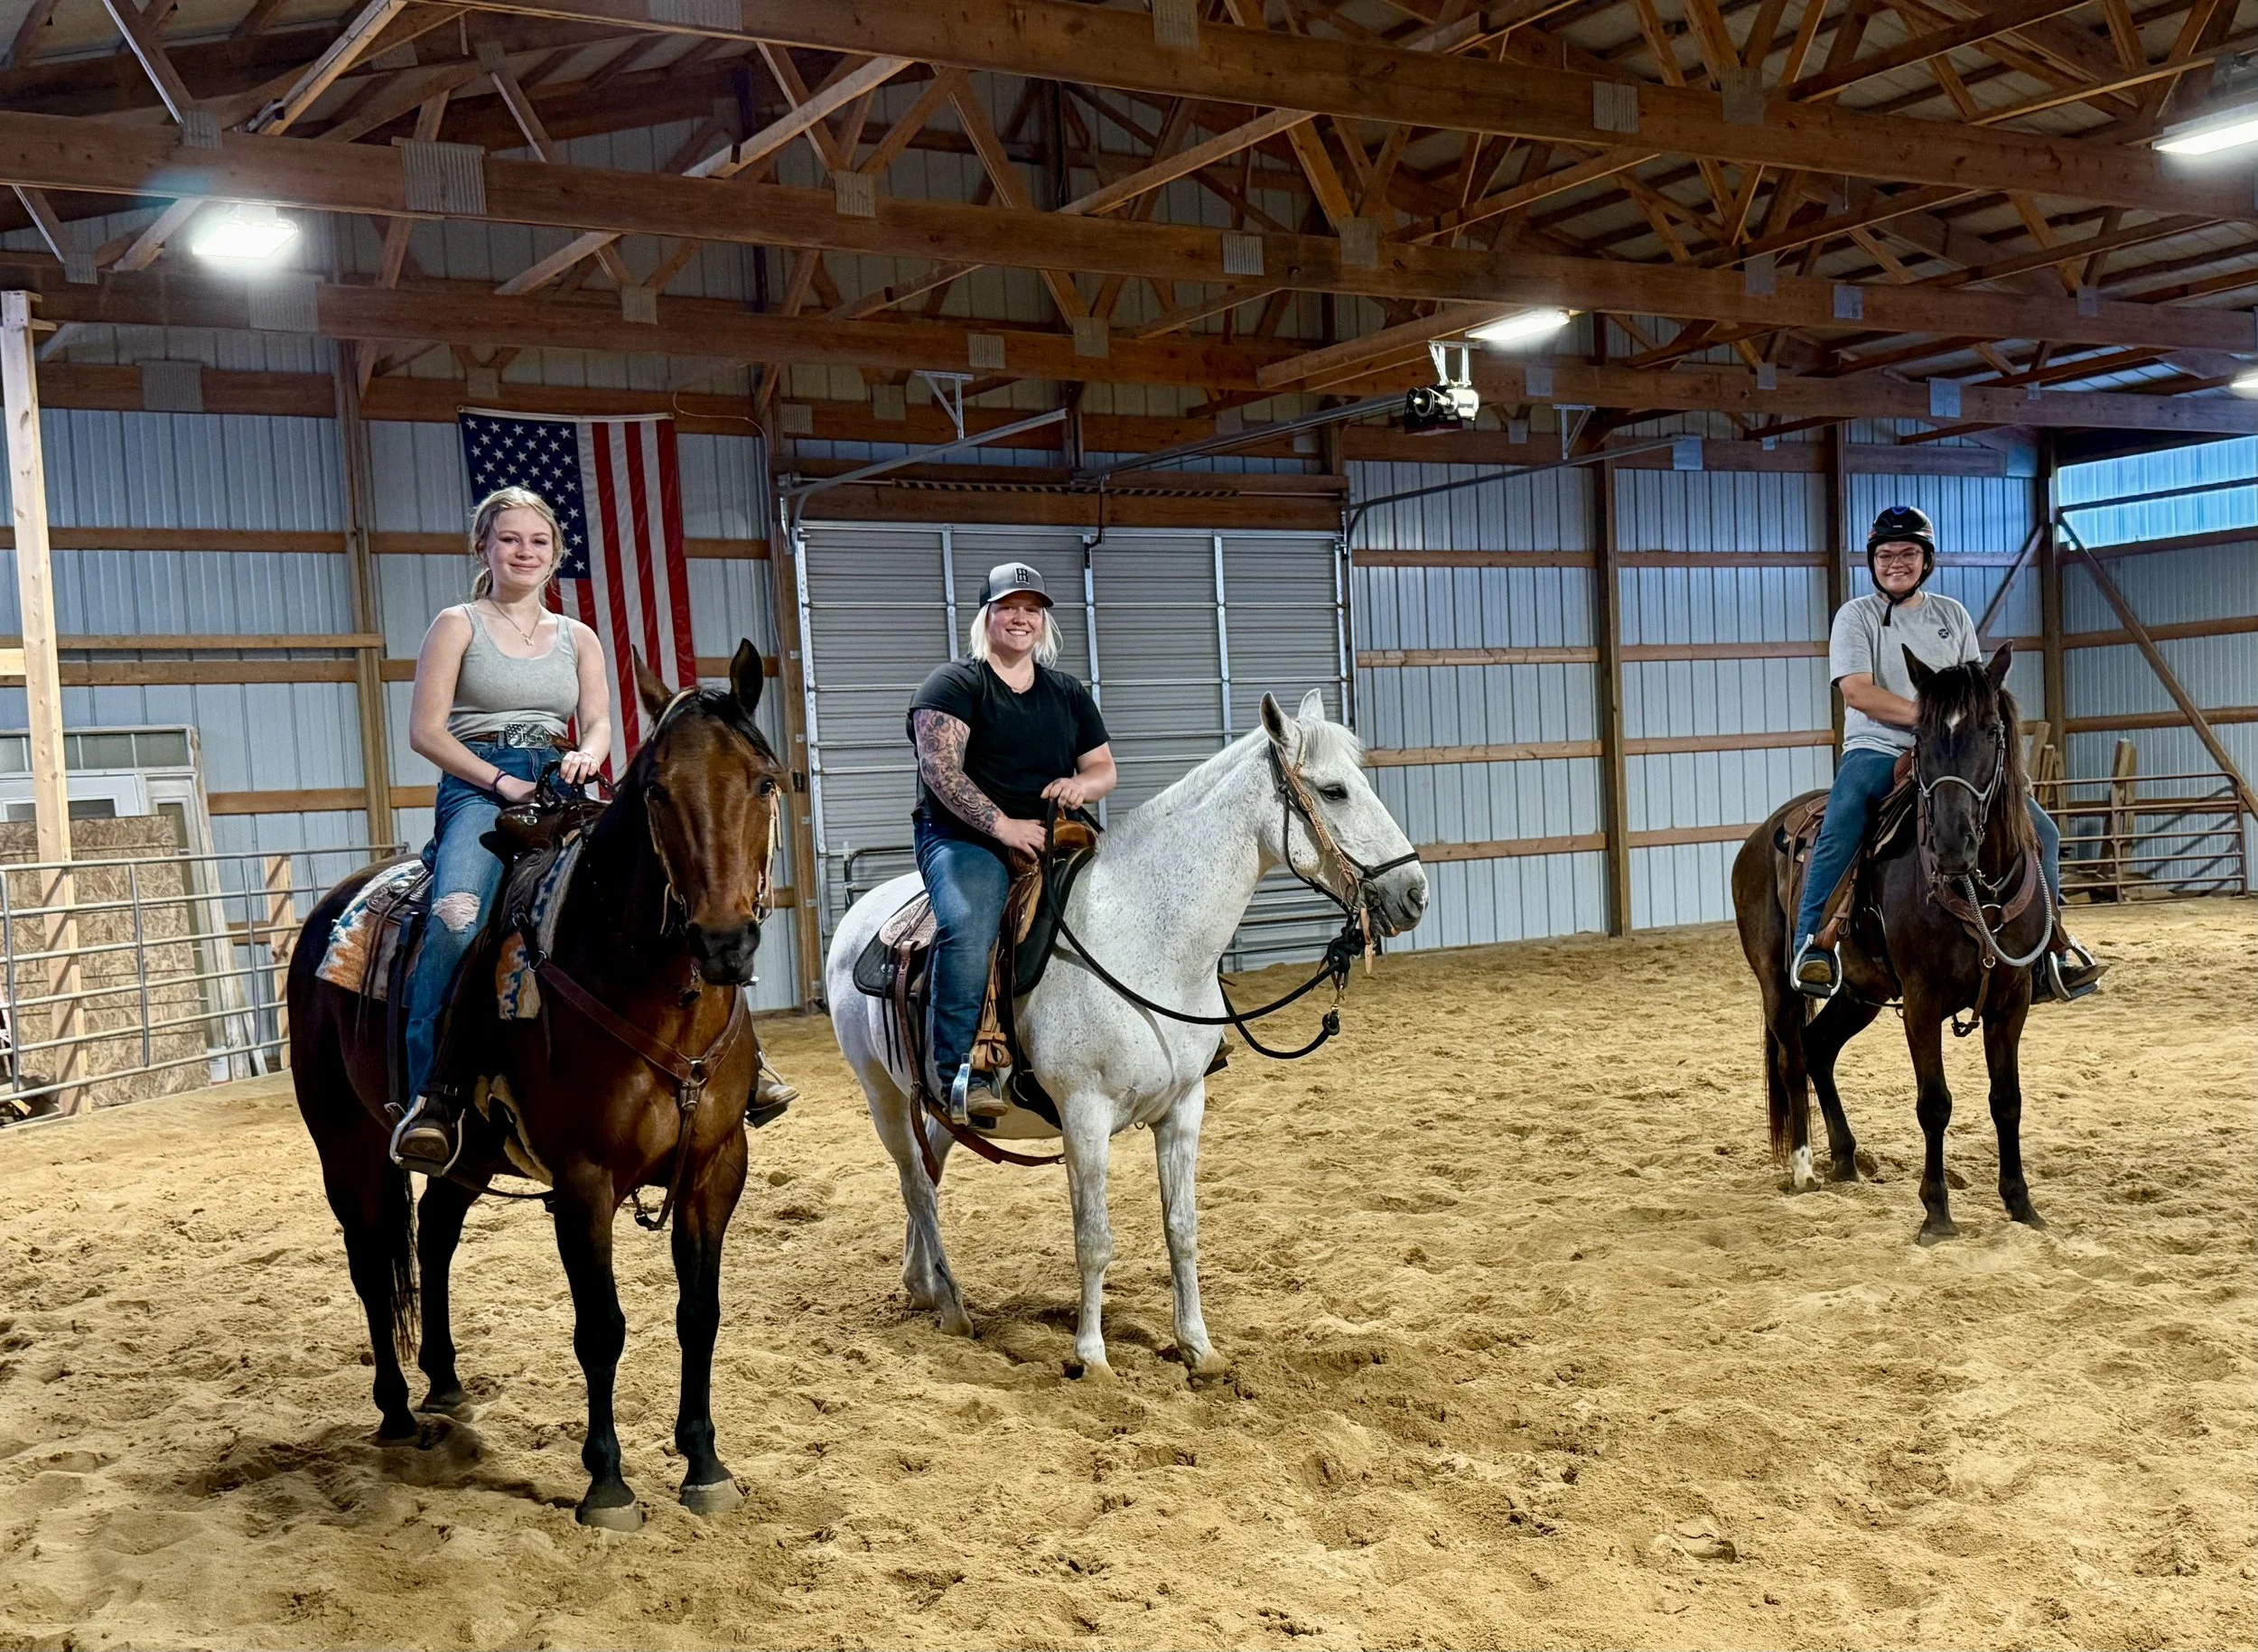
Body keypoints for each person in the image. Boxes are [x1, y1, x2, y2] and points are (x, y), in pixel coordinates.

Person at [1790, 505, 2105, 1004]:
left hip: (1950, 751)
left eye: (1909, 553)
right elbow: (1857, 692)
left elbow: (1975, 691)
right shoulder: (1857, 616)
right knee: (1844, 818)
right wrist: (1930, 716)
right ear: (1873, 560)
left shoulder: (1952, 615)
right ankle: (1812, 944)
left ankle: (2051, 951)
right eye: (1886, 554)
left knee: (2041, 829)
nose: (1897, 562)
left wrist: (1960, 726)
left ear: (1926, 560)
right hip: (1878, 746)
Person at [908, 562, 1117, 1125]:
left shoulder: (1068, 693)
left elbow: (1103, 770)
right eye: (1008, 607)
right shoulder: (954, 685)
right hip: (964, 836)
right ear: (988, 617)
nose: (1020, 618)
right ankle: (959, 1071)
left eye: (1031, 609)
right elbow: (941, 772)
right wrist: (1004, 827)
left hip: (1055, 831)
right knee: (970, 924)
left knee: (1140, 893)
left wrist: (1080, 784)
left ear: (1043, 622)